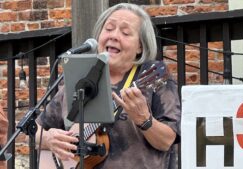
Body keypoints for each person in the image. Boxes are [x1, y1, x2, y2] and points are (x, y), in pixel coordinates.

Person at [36, 3, 181, 169]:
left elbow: (167, 141)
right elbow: (33, 132)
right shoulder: (81, 80)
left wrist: (144, 120)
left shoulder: (153, 76)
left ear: (140, 46)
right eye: (109, 28)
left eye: (125, 32)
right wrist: (47, 138)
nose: (114, 36)